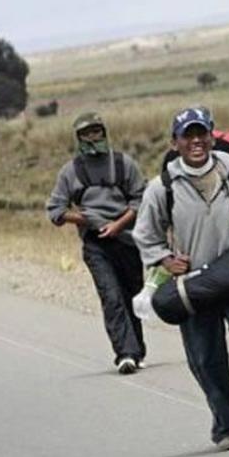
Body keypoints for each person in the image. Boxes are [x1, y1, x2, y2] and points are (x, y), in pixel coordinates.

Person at [134, 107, 229, 451]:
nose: (196, 141)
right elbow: (145, 234)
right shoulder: (162, 187)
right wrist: (166, 259)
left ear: (213, 135)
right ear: (175, 142)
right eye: (188, 135)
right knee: (205, 356)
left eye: (202, 133)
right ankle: (227, 425)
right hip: (194, 288)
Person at [46, 112, 148, 374]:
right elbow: (55, 210)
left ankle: (136, 349)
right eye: (86, 134)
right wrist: (85, 220)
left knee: (131, 294)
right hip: (96, 244)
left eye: (96, 131)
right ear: (78, 138)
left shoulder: (123, 164)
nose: (92, 138)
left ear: (104, 133)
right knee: (111, 296)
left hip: (127, 239)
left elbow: (140, 199)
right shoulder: (71, 172)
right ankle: (125, 353)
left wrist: (118, 224)